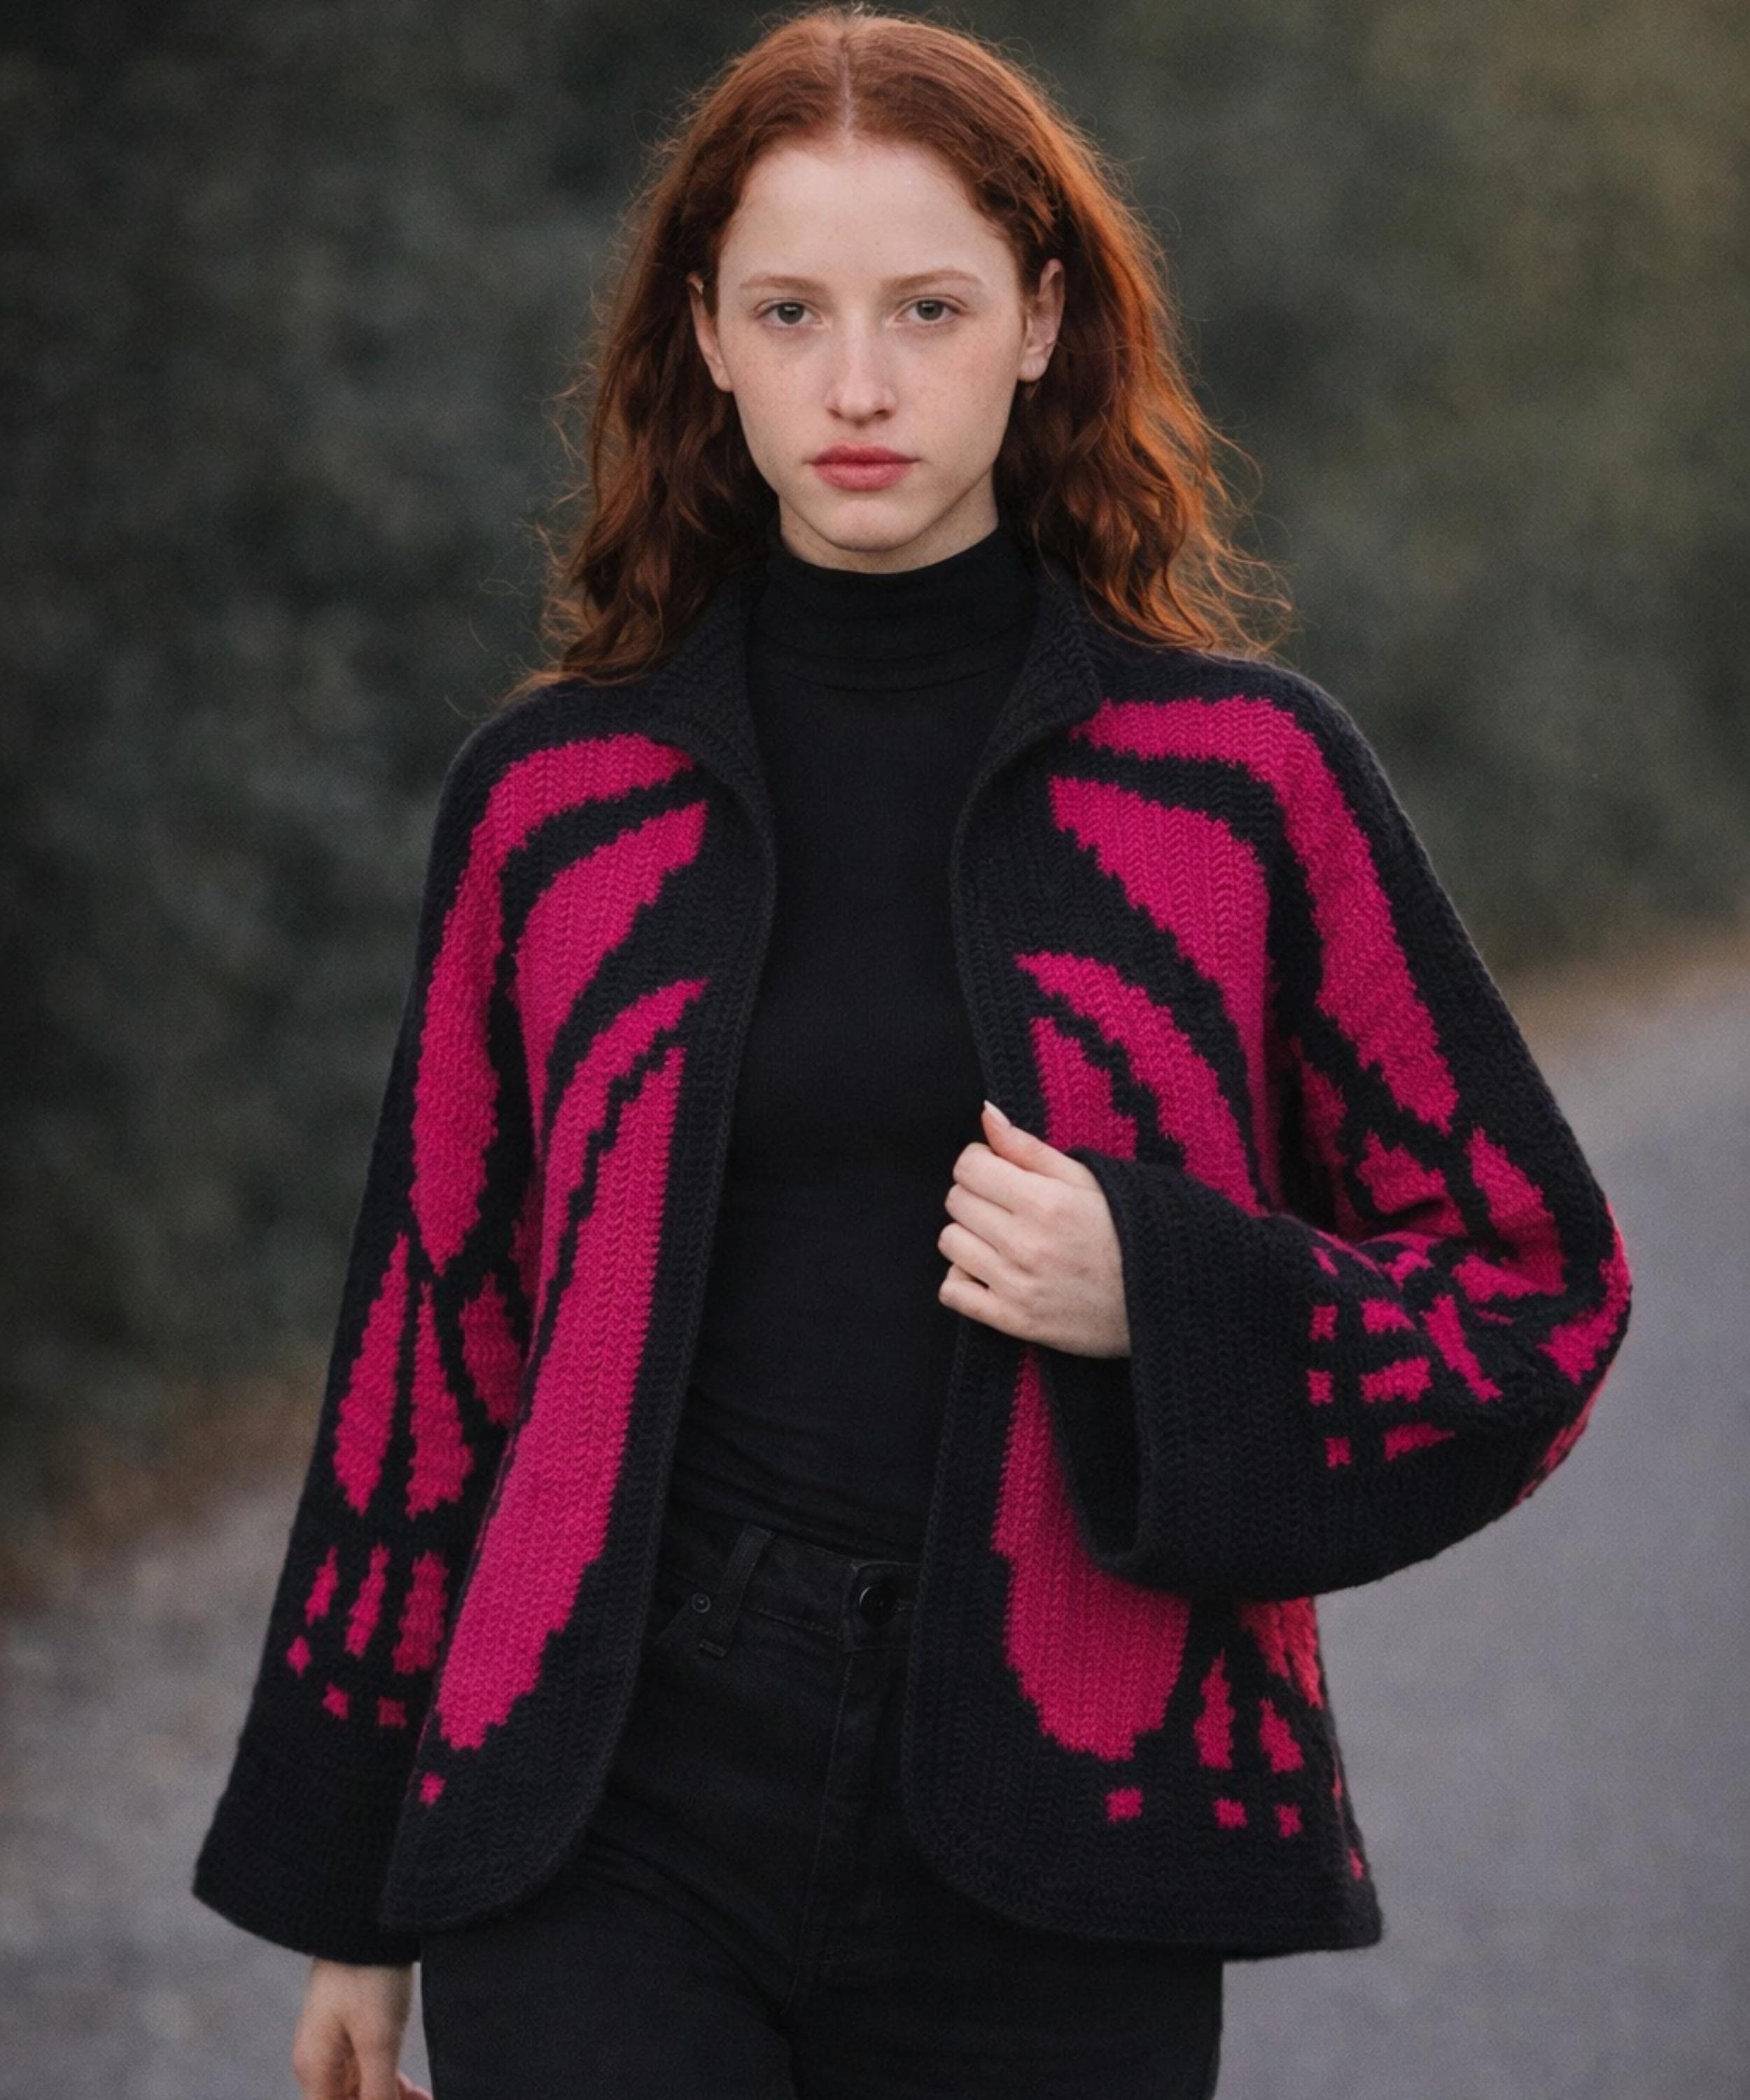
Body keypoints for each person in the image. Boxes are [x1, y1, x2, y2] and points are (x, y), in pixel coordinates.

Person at [189, 9, 1634, 2098]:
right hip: (601, 1799)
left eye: (928, 309)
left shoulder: (1243, 788)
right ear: (706, 334)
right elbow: (436, 1343)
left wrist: (1164, 1288)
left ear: (1040, 323)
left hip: (1069, 1820)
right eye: (790, 310)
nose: (856, 385)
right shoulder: (555, 805)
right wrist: (353, 1900)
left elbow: (1534, 1290)